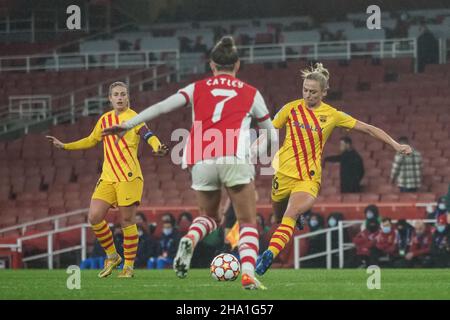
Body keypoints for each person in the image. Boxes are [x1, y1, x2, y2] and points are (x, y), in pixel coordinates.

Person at [102, 36, 278, 290]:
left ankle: (190, 239)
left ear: (212, 65)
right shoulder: (251, 93)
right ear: (237, 65)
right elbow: (271, 133)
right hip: (235, 156)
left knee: (210, 217)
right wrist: (254, 151)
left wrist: (127, 124)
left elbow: (163, 107)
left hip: (202, 158)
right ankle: (248, 273)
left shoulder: (197, 87)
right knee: (247, 220)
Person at [255, 62, 412, 276]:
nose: (308, 95)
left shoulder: (332, 115)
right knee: (278, 216)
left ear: (324, 92)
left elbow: (367, 128)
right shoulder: (290, 108)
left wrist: (395, 145)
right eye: (305, 90)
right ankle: (298, 214)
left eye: (313, 92)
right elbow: (268, 133)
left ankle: (269, 255)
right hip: (282, 174)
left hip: (307, 178)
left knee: (289, 215)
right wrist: (252, 151)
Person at [46, 81, 169, 278]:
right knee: (94, 217)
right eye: (116, 95)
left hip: (129, 178)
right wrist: (65, 146)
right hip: (108, 177)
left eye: (123, 94)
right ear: (110, 99)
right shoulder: (104, 120)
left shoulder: (134, 118)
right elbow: (91, 139)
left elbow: (148, 135)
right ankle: (112, 256)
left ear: (128, 97)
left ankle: (128, 266)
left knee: (127, 220)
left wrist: (157, 147)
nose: (120, 97)